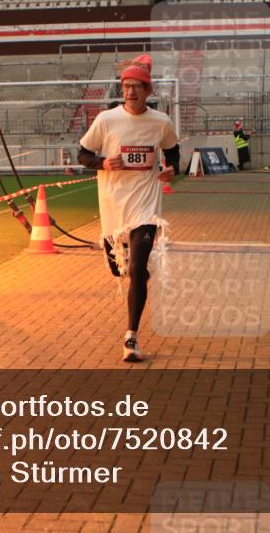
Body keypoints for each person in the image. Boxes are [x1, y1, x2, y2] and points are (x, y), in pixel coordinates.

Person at [77, 54, 180, 362]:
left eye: (137, 87)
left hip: (146, 205)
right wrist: (103, 162)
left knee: (136, 268)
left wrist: (172, 168)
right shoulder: (106, 120)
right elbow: (82, 154)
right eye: (126, 87)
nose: (131, 92)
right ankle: (137, 274)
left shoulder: (160, 122)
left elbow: (174, 151)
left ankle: (131, 337)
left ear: (148, 91)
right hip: (113, 206)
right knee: (119, 268)